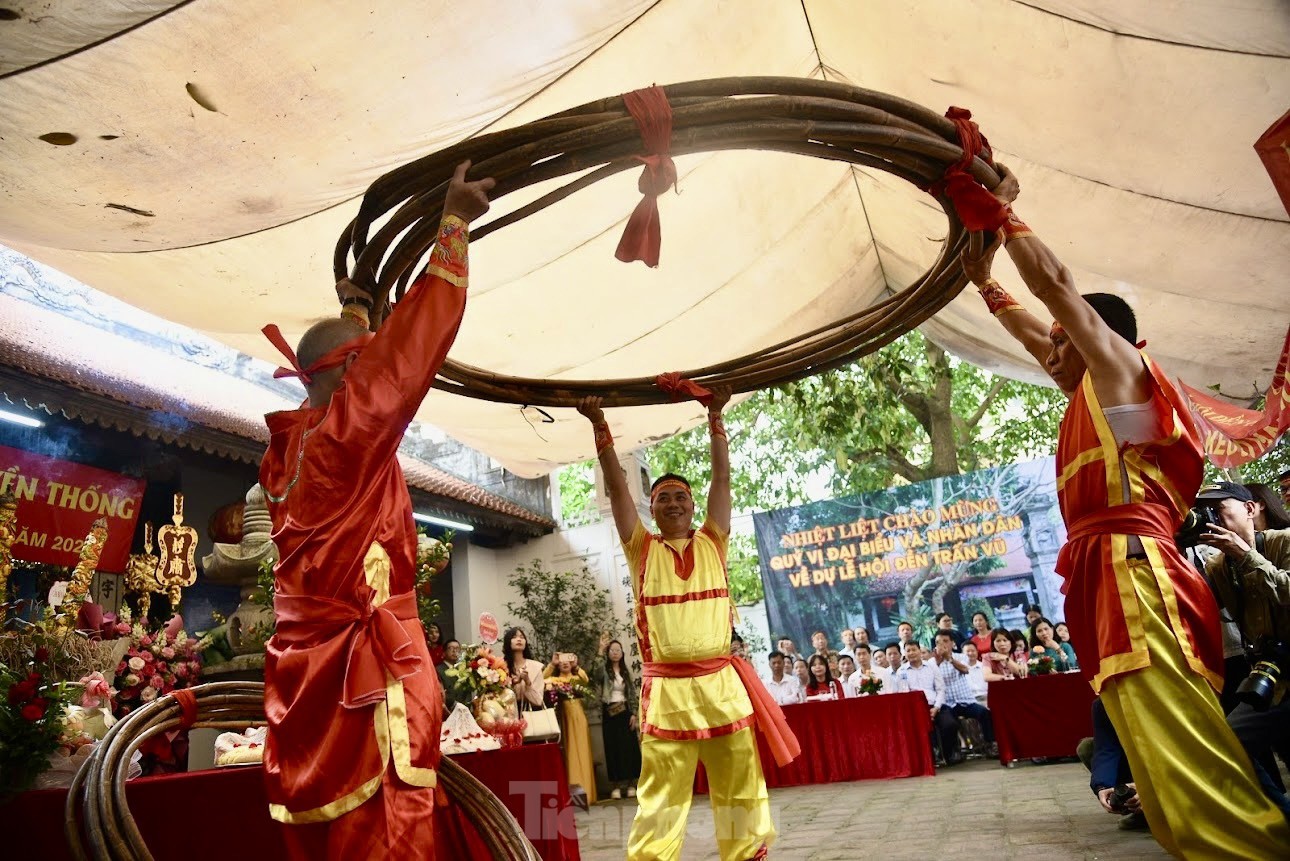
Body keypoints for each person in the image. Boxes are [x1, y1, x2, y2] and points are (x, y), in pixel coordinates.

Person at [962, 162, 1289, 855]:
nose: (1047, 351)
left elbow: (1051, 287)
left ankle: (1257, 845)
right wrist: (981, 275)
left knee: (1183, 747)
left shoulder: (1121, 372)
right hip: (1106, 574)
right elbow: (1031, 321)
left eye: (1060, 339)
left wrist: (997, 211)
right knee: (1154, 752)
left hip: (1138, 575)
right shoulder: (1089, 393)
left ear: (1091, 336)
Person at [258, 161, 492, 859]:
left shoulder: (290, 448)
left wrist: (358, 315)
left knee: (333, 837)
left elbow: (352, 372)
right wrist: (450, 225)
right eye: (362, 356)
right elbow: (405, 360)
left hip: (307, 680)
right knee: (389, 831)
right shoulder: (346, 438)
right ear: (348, 374)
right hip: (365, 681)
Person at [577, 391, 797, 861]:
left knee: (739, 783)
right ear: (652, 510)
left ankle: (745, 855)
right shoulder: (641, 549)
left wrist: (715, 416)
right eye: (663, 498)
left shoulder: (715, 539)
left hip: (722, 685)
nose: (673, 503)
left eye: (681, 497)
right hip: (669, 693)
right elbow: (618, 490)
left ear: (694, 506)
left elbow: (723, 476)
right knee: (661, 794)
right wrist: (600, 425)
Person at [1198, 481, 1290, 817]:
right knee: (1228, 744)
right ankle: (1282, 821)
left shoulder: (1285, 541)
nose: (1212, 519)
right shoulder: (1218, 567)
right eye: (1203, 513)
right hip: (1272, 679)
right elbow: (1198, 611)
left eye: (1218, 510)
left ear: (1250, 509)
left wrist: (1244, 554)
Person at [932, 631, 997, 758]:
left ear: (952, 643)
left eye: (945, 641)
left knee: (984, 713)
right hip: (947, 703)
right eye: (938, 642)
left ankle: (991, 745)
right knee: (948, 723)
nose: (942, 645)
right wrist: (938, 661)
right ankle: (953, 752)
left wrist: (949, 659)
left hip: (966, 701)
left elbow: (965, 670)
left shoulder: (961, 657)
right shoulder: (932, 662)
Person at [593, 634, 642, 800]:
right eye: (612, 650)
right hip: (609, 713)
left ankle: (630, 784)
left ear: (622, 653)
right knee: (612, 749)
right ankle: (615, 785)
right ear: (608, 653)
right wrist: (600, 649)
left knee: (629, 749)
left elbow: (633, 694)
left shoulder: (625, 672)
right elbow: (596, 673)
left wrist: (634, 713)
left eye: (618, 650)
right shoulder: (604, 671)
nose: (615, 653)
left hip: (625, 712)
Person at [544, 653, 597, 806]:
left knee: (583, 751)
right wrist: (552, 665)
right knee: (570, 754)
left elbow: (586, 680)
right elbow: (540, 679)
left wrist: (576, 666)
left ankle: (588, 794)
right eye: (561, 661)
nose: (565, 663)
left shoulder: (576, 679)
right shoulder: (554, 680)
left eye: (568, 660)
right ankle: (574, 796)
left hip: (579, 719)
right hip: (564, 720)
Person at [895, 640, 958, 764]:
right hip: (915, 709)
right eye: (908, 651)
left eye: (914, 650)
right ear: (904, 653)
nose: (911, 653)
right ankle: (932, 756)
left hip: (935, 705)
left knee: (950, 724)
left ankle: (949, 753)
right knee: (924, 728)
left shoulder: (931, 666)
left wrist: (936, 707)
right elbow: (904, 695)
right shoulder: (901, 672)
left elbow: (941, 689)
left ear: (919, 651)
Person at [502, 626, 547, 710]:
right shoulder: (500, 666)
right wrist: (513, 683)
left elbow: (538, 701)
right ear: (508, 642)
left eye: (522, 637)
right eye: (514, 637)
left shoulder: (535, 667)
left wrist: (527, 682)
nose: (519, 639)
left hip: (529, 715)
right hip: (507, 715)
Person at [437, 639, 462, 712]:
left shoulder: (463, 669)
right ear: (444, 652)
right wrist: (454, 705)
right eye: (451, 648)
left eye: (457, 648)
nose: (454, 651)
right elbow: (440, 692)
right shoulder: (438, 670)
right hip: (449, 711)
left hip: (466, 711)